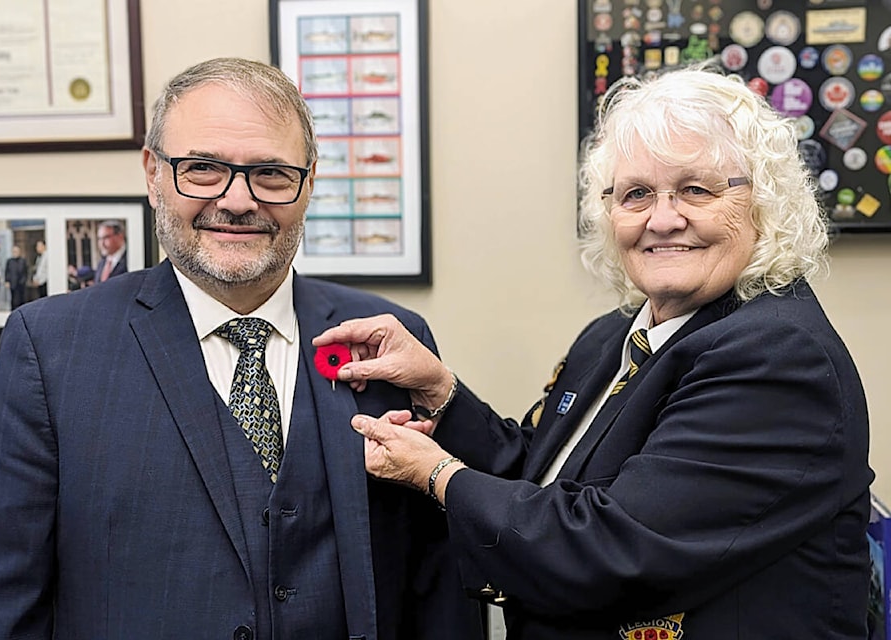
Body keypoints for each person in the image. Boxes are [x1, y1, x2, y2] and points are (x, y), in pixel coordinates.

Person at [314, 65, 872, 638]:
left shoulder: (777, 358)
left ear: (763, 204)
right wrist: (441, 391)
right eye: (635, 195)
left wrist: (436, 475)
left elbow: (611, 548)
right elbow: (543, 475)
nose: (662, 218)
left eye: (696, 190)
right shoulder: (613, 336)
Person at [0, 57, 483, 640]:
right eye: (202, 168)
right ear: (153, 174)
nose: (237, 200)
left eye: (271, 173)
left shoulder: (390, 339)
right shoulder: (50, 350)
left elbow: (439, 589)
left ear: (309, 182)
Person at [93, 220, 127, 284]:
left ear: (120, 237)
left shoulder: (130, 260)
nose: (102, 243)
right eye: (99, 239)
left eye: (106, 238)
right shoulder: (102, 262)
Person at [3, 245, 29, 310]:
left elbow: (26, 272)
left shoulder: (23, 261)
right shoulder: (9, 261)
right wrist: (7, 281)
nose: (15, 253)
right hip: (12, 283)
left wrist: (24, 280)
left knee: (21, 298)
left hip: (21, 283)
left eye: (16, 251)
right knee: (13, 299)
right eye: (14, 251)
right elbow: (7, 272)